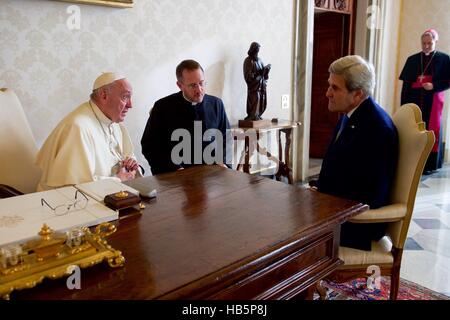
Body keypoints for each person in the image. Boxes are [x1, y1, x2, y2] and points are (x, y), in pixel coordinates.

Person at [317, 55, 399, 251]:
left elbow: (372, 195)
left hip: (356, 225)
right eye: (329, 85)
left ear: (357, 94)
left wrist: (321, 207)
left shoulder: (378, 129)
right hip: (334, 209)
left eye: (335, 88)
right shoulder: (351, 114)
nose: (327, 93)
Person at [36, 72, 141, 191]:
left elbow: (125, 158)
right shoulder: (77, 128)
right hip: (66, 204)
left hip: (110, 196)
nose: (130, 105)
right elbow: (74, 187)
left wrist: (130, 166)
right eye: (125, 97)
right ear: (104, 95)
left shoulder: (113, 121)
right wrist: (119, 179)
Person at [141, 59, 231, 175]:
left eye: (201, 83)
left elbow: (226, 139)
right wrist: (175, 170)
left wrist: (222, 163)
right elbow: (150, 145)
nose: (199, 90)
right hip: (175, 176)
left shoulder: (216, 104)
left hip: (211, 177)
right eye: (193, 86)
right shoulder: (162, 107)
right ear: (180, 85)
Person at [399, 29, 450, 174]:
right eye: (424, 43)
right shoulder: (412, 59)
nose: (426, 46)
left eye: (429, 43)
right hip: (414, 100)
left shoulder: (444, 59)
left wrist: (434, 86)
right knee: (414, 129)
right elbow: (406, 85)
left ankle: (429, 165)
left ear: (435, 42)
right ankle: (412, 161)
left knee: (431, 129)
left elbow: (448, 81)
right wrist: (404, 106)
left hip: (433, 101)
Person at [243, 42, 271, 121]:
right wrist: (260, 73)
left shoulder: (260, 61)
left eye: (258, 51)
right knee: (256, 98)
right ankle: (253, 115)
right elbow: (248, 77)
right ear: (252, 50)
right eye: (256, 51)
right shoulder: (248, 61)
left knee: (262, 100)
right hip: (254, 87)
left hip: (261, 86)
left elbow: (265, 76)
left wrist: (266, 71)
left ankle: (257, 115)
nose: (257, 53)